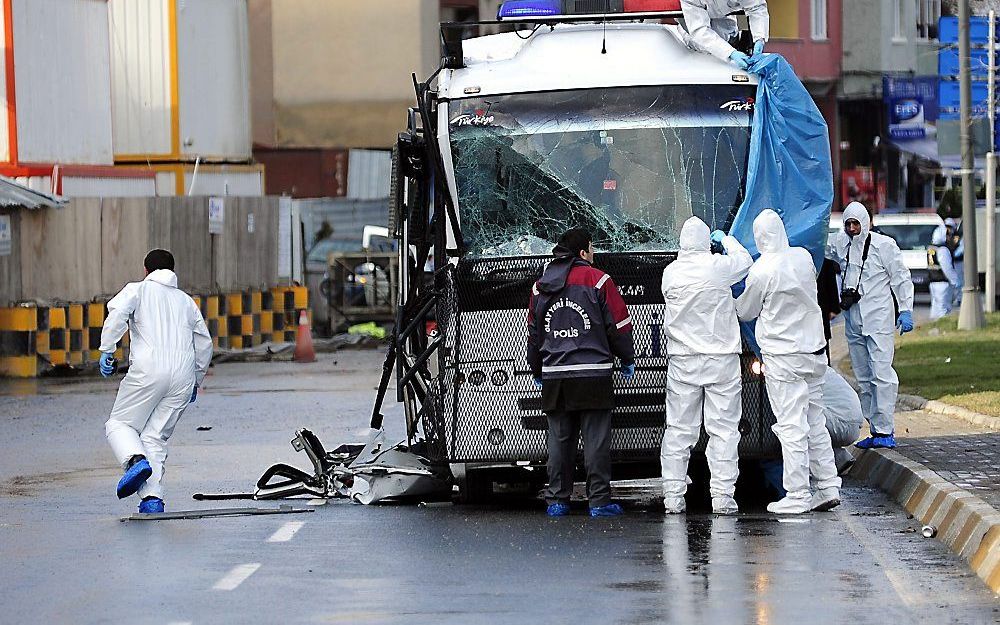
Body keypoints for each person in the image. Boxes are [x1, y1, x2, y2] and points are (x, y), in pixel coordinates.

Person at [736, 210, 841, 514]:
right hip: (814, 353)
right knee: (815, 422)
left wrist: (728, 300)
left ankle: (797, 493)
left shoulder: (762, 270)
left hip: (784, 359)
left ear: (759, 237)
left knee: (791, 425)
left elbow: (746, 311)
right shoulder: (803, 258)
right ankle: (828, 485)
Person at [527, 229, 635, 518]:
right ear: (583, 252)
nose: (594, 253)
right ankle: (599, 502)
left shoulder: (540, 286)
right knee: (596, 441)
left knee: (559, 441)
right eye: (592, 248)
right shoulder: (599, 280)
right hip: (593, 375)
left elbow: (535, 334)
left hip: (555, 377)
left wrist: (537, 368)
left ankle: (557, 501)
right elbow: (619, 326)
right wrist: (627, 357)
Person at [100, 249, 214, 514]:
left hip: (148, 371)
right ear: (173, 271)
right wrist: (195, 380)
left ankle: (135, 459)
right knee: (154, 437)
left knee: (119, 424)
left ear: (146, 270)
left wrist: (107, 348)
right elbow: (204, 343)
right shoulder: (186, 302)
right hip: (183, 377)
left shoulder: (137, 290)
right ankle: (152, 499)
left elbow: (117, 313)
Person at [659, 217, 752, 515]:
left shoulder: (670, 274)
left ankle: (673, 497)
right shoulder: (717, 267)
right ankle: (723, 497)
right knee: (723, 430)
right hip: (721, 359)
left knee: (679, 430)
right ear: (705, 242)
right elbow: (744, 261)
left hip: (683, 361)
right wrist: (726, 241)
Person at [826, 202, 914, 449]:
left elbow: (900, 277)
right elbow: (817, 242)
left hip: (878, 319)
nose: (853, 229)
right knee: (864, 377)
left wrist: (905, 308)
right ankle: (875, 429)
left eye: (856, 224)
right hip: (854, 320)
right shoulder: (840, 244)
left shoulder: (883, 246)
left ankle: (886, 429)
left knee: (881, 374)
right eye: (848, 224)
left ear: (866, 223)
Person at [680, 0, 769, 70]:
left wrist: (759, 38)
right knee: (703, 47)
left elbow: (756, 8)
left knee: (727, 37)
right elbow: (700, 31)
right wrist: (730, 53)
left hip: (724, 20)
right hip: (691, 21)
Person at [928, 224, 959, 321]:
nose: (949, 237)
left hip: (933, 281)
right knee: (943, 308)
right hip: (943, 282)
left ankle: (933, 326)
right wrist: (955, 281)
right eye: (947, 235)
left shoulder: (931, 248)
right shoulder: (943, 250)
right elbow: (947, 268)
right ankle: (943, 328)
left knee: (935, 307)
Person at [945, 218, 964, 308]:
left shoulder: (957, 237)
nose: (948, 229)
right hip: (950, 261)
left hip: (957, 261)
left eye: (949, 227)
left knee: (959, 281)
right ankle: (953, 298)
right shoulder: (944, 237)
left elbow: (960, 249)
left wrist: (953, 255)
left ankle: (959, 299)